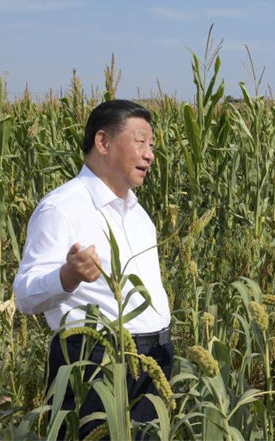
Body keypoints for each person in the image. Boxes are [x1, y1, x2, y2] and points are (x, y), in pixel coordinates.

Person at [14, 100, 172, 436]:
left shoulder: (139, 214)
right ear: (103, 142)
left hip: (153, 361)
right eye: (140, 142)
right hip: (95, 362)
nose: (149, 155)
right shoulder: (62, 208)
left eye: (152, 146)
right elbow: (24, 296)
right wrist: (67, 276)